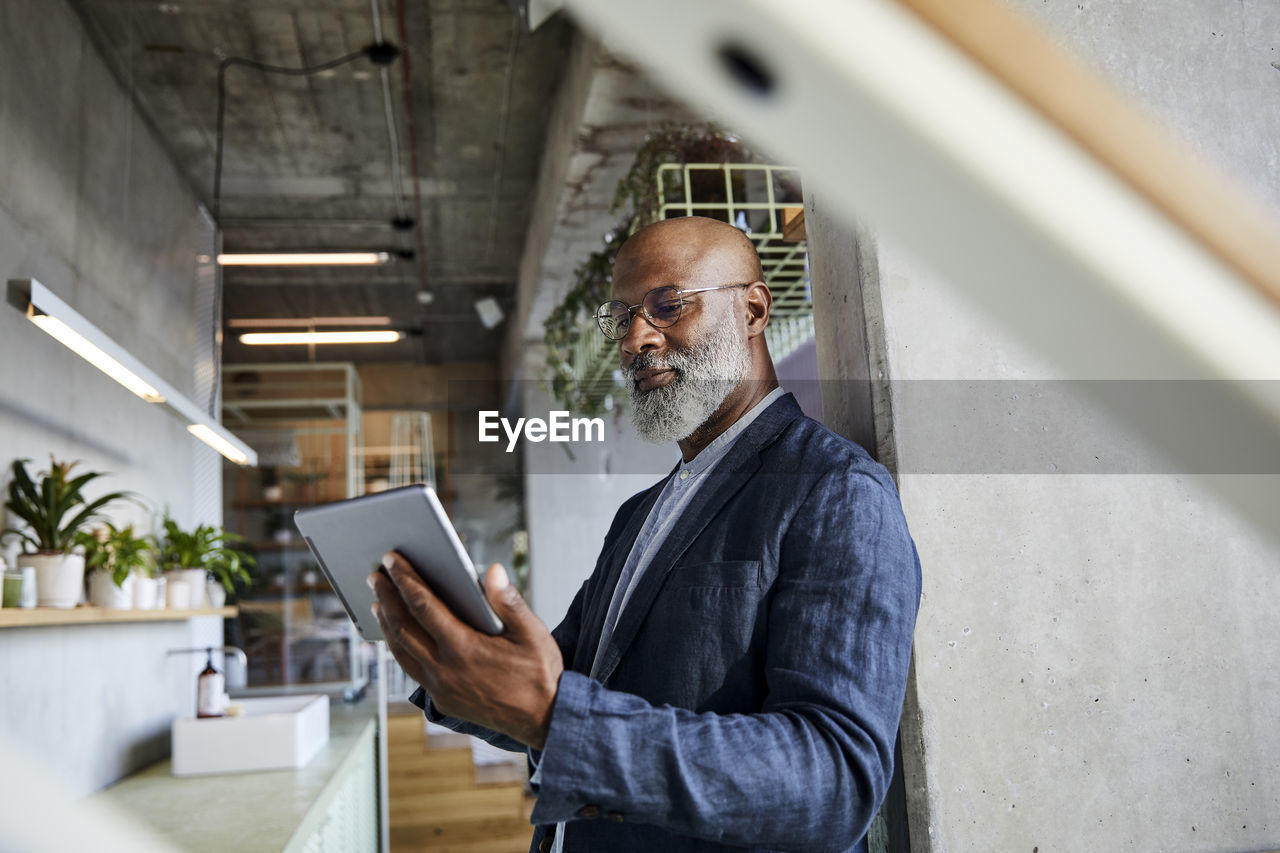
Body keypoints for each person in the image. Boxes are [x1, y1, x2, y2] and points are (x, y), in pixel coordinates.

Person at [369, 216, 922, 853]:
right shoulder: (640, 513)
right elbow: (563, 680)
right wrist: (446, 656)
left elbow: (833, 782)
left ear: (753, 309)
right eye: (624, 315)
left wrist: (553, 716)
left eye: (668, 306)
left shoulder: (836, 491)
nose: (636, 338)